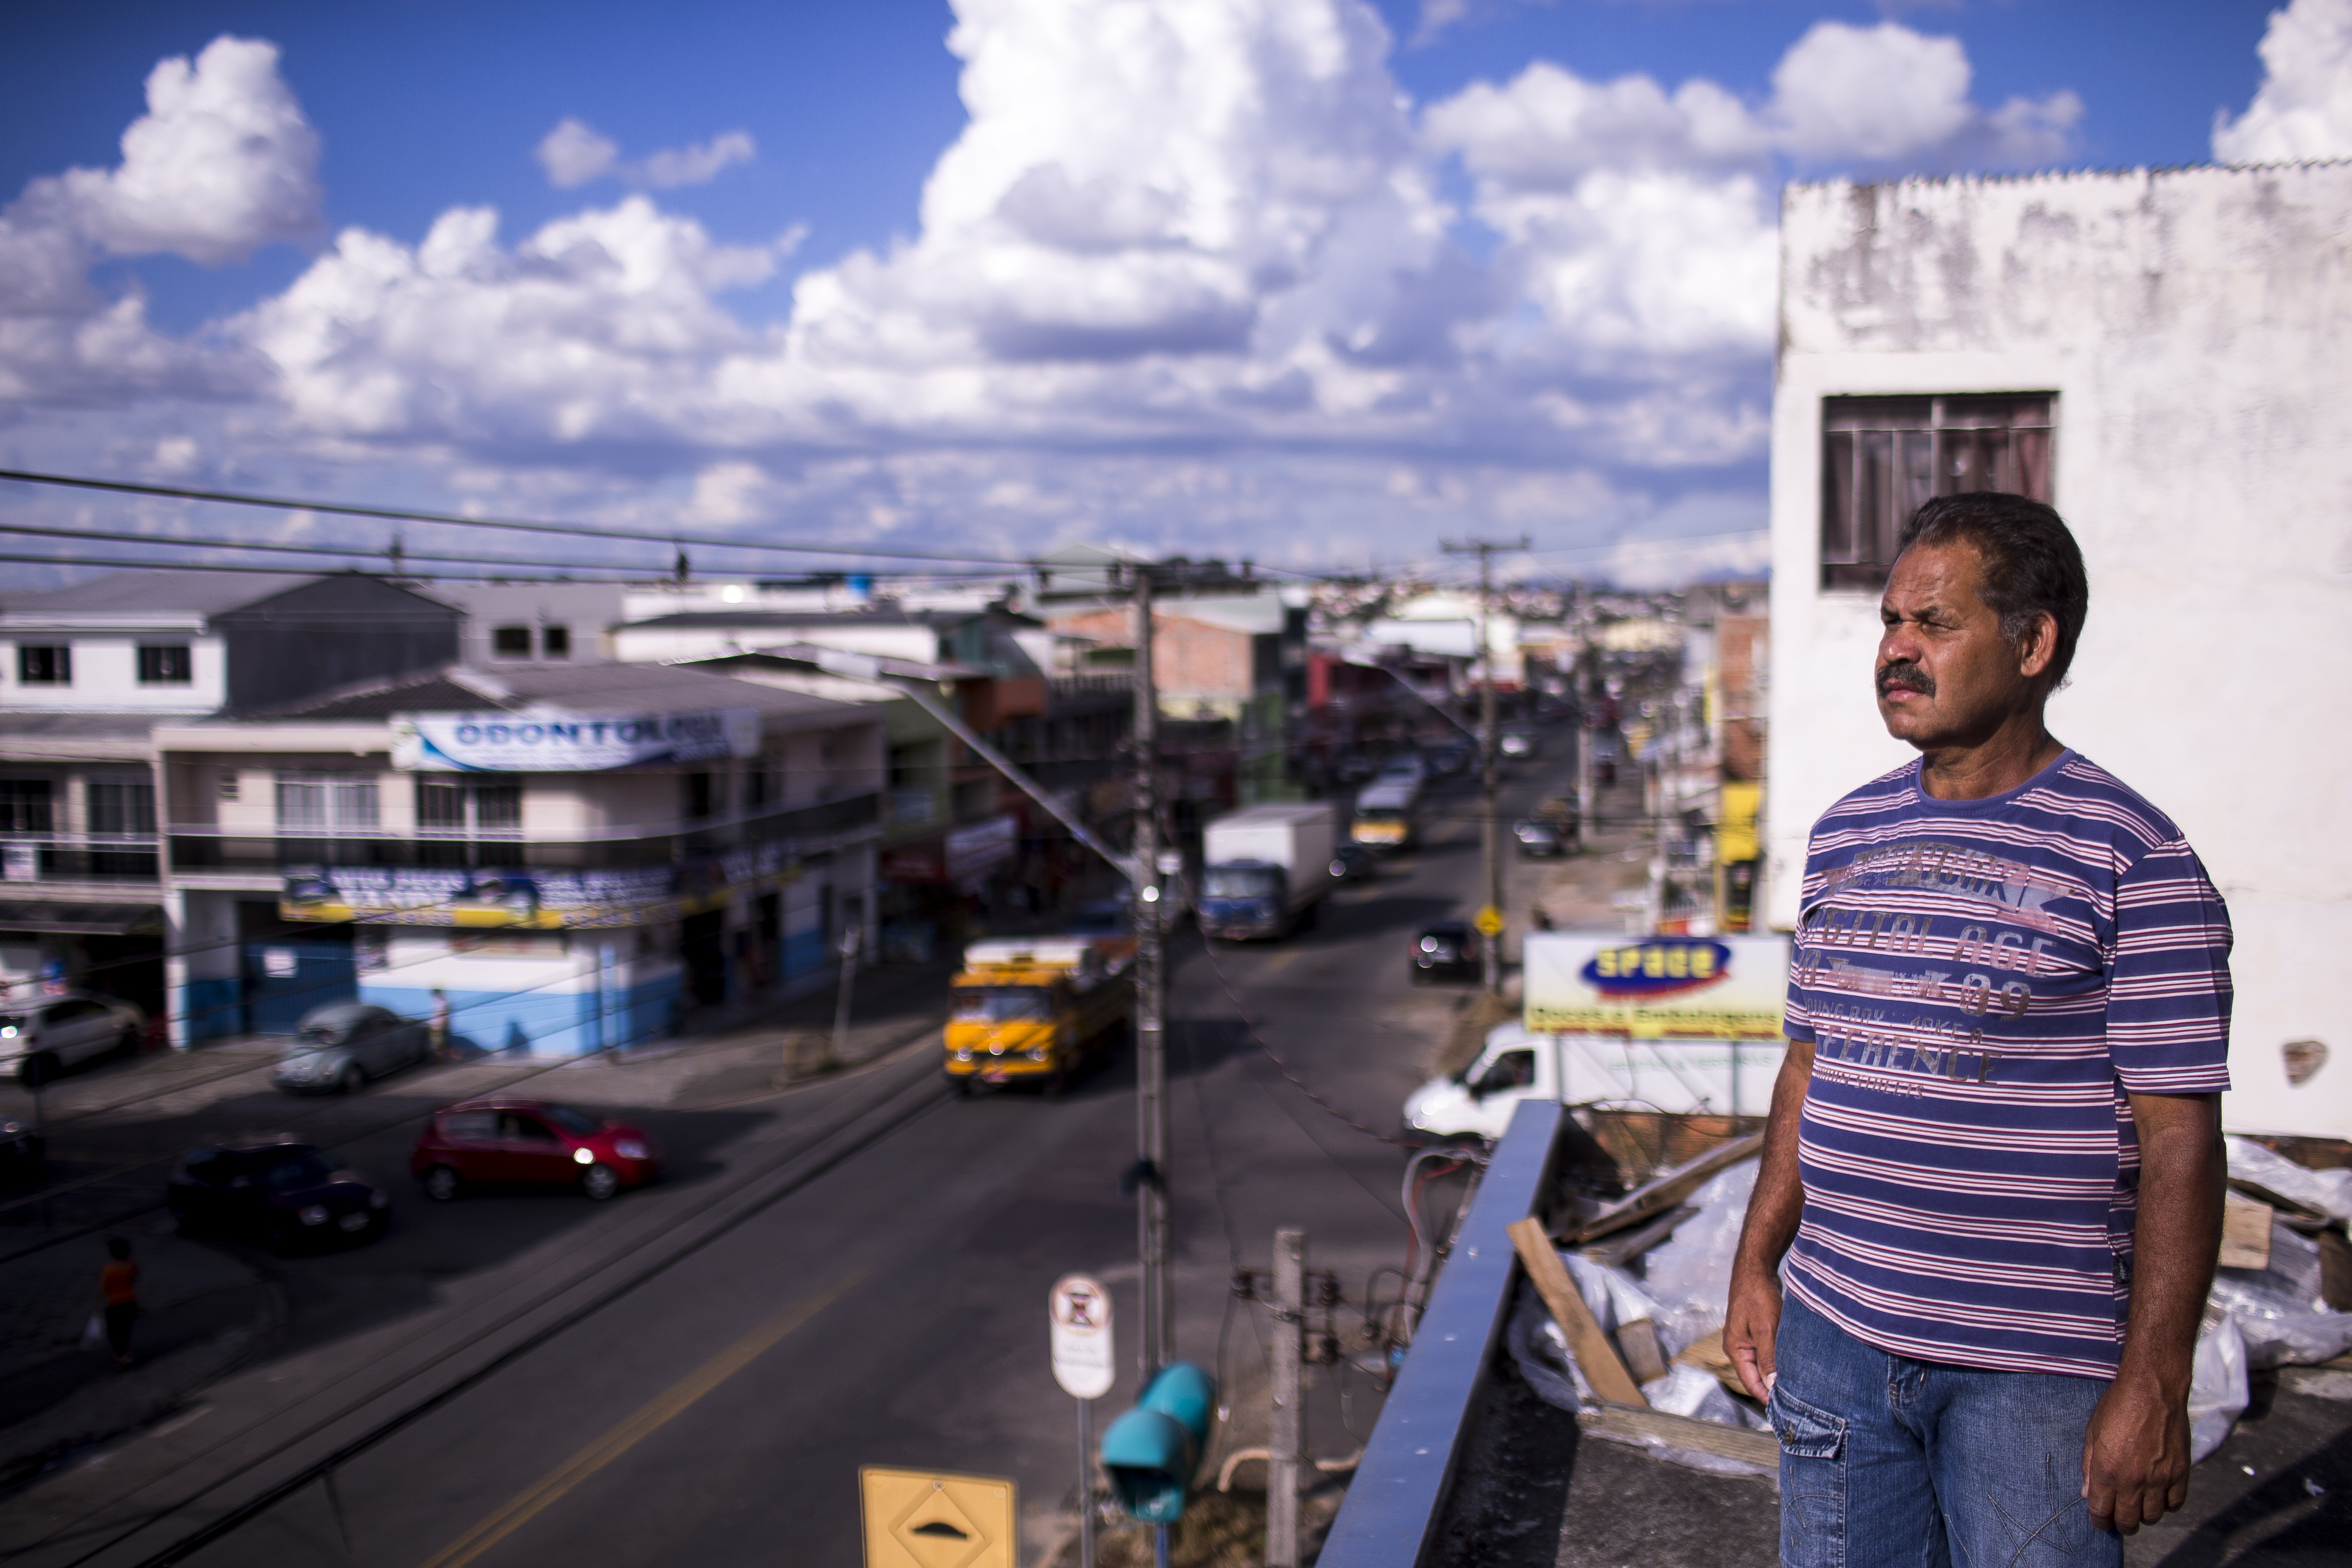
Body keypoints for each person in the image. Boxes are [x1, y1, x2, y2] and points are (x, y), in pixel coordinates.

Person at [1725, 493, 2231, 1567]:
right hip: (1835, 1337)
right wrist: (1754, 1265)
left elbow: (2178, 1138)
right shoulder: (1844, 833)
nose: (1895, 651)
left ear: (2033, 642)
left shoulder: (2132, 857)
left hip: (2033, 1375)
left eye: (1933, 623)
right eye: (1889, 622)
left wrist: (2153, 1380)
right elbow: (1807, 1067)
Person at [98, 1235, 137, 1367]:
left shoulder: (108, 1269)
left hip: (114, 1305)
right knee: (125, 1329)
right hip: (130, 1302)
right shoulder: (131, 1266)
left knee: (113, 1331)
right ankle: (125, 1353)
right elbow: (133, 1279)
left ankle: (122, 1355)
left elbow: (105, 1288)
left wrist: (97, 1302)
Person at [429, 988, 451, 1061]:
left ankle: (439, 1059)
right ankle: (440, 1058)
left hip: (439, 1026)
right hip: (438, 1025)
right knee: (439, 1044)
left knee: (438, 1045)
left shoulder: (441, 1002)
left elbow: (442, 1015)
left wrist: (439, 1025)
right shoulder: (441, 1001)